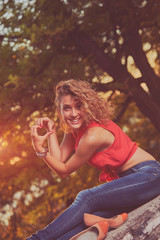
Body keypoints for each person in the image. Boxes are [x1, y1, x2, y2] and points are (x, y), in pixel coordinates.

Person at [28, 79, 160, 240]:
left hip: (148, 175)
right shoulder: (75, 128)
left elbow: (63, 171)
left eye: (79, 106)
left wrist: (39, 149)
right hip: (130, 183)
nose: (74, 113)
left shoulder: (92, 135)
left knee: (87, 197)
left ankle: (36, 239)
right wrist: (51, 131)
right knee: (87, 219)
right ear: (60, 111)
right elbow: (59, 158)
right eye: (67, 108)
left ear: (87, 105)